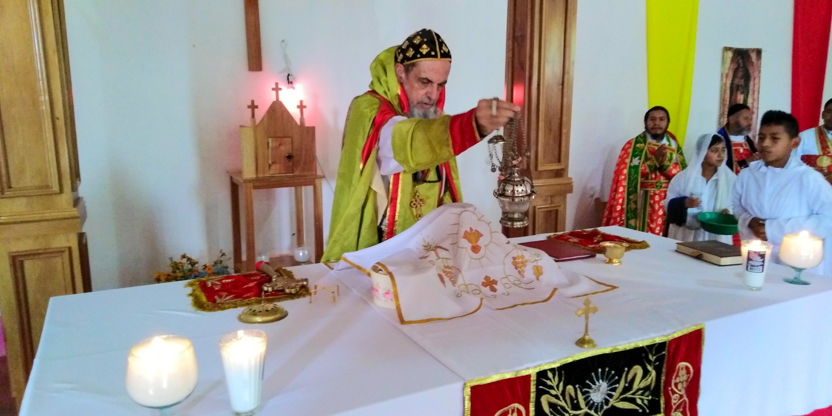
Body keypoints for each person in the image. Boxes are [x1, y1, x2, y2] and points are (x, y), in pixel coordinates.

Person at [322, 29, 520, 263]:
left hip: (428, 247)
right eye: (424, 82)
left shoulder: (433, 116)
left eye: (440, 85)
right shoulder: (367, 109)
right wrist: (469, 126)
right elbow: (405, 142)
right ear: (400, 72)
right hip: (378, 248)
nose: (433, 95)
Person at [733, 110, 832, 275]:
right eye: (761, 138)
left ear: (795, 143)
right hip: (755, 258)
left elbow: (828, 218)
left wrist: (773, 229)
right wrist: (749, 220)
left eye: (775, 138)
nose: (765, 144)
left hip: (796, 263)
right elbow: (735, 205)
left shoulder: (808, 178)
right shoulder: (747, 175)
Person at [601, 106, 687, 235]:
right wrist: (652, 162)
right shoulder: (633, 145)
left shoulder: (674, 146)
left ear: (668, 122)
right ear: (645, 122)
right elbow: (624, 175)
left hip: (667, 200)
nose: (656, 123)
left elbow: (683, 176)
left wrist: (665, 165)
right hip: (640, 200)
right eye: (652, 119)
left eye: (661, 119)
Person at [665, 134, 736, 244]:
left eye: (723, 150)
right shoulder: (683, 178)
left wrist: (729, 212)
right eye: (714, 150)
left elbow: (738, 205)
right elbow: (667, 204)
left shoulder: (731, 180)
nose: (721, 155)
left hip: (716, 237)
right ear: (701, 152)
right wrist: (683, 203)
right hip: (686, 235)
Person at [714, 103, 760, 174]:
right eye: (746, 118)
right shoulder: (718, 140)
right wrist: (745, 162)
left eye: (751, 119)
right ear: (732, 119)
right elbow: (718, 169)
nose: (750, 122)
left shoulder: (749, 142)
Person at [797, 98, 832, 185]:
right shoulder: (804, 137)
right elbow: (791, 165)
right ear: (823, 114)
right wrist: (814, 175)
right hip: (810, 188)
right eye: (829, 112)